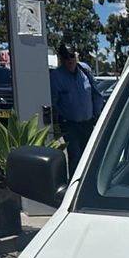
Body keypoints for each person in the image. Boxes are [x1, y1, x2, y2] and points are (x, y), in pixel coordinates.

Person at [50, 44, 105, 177]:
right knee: (75, 156)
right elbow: (53, 102)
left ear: (76, 56)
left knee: (91, 156)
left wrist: (99, 115)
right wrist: (55, 124)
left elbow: (96, 93)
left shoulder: (85, 69)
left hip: (88, 122)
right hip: (70, 124)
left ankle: (90, 180)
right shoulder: (56, 76)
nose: (70, 60)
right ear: (61, 59)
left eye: (72, 56)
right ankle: (75, 186)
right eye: (66, 57)